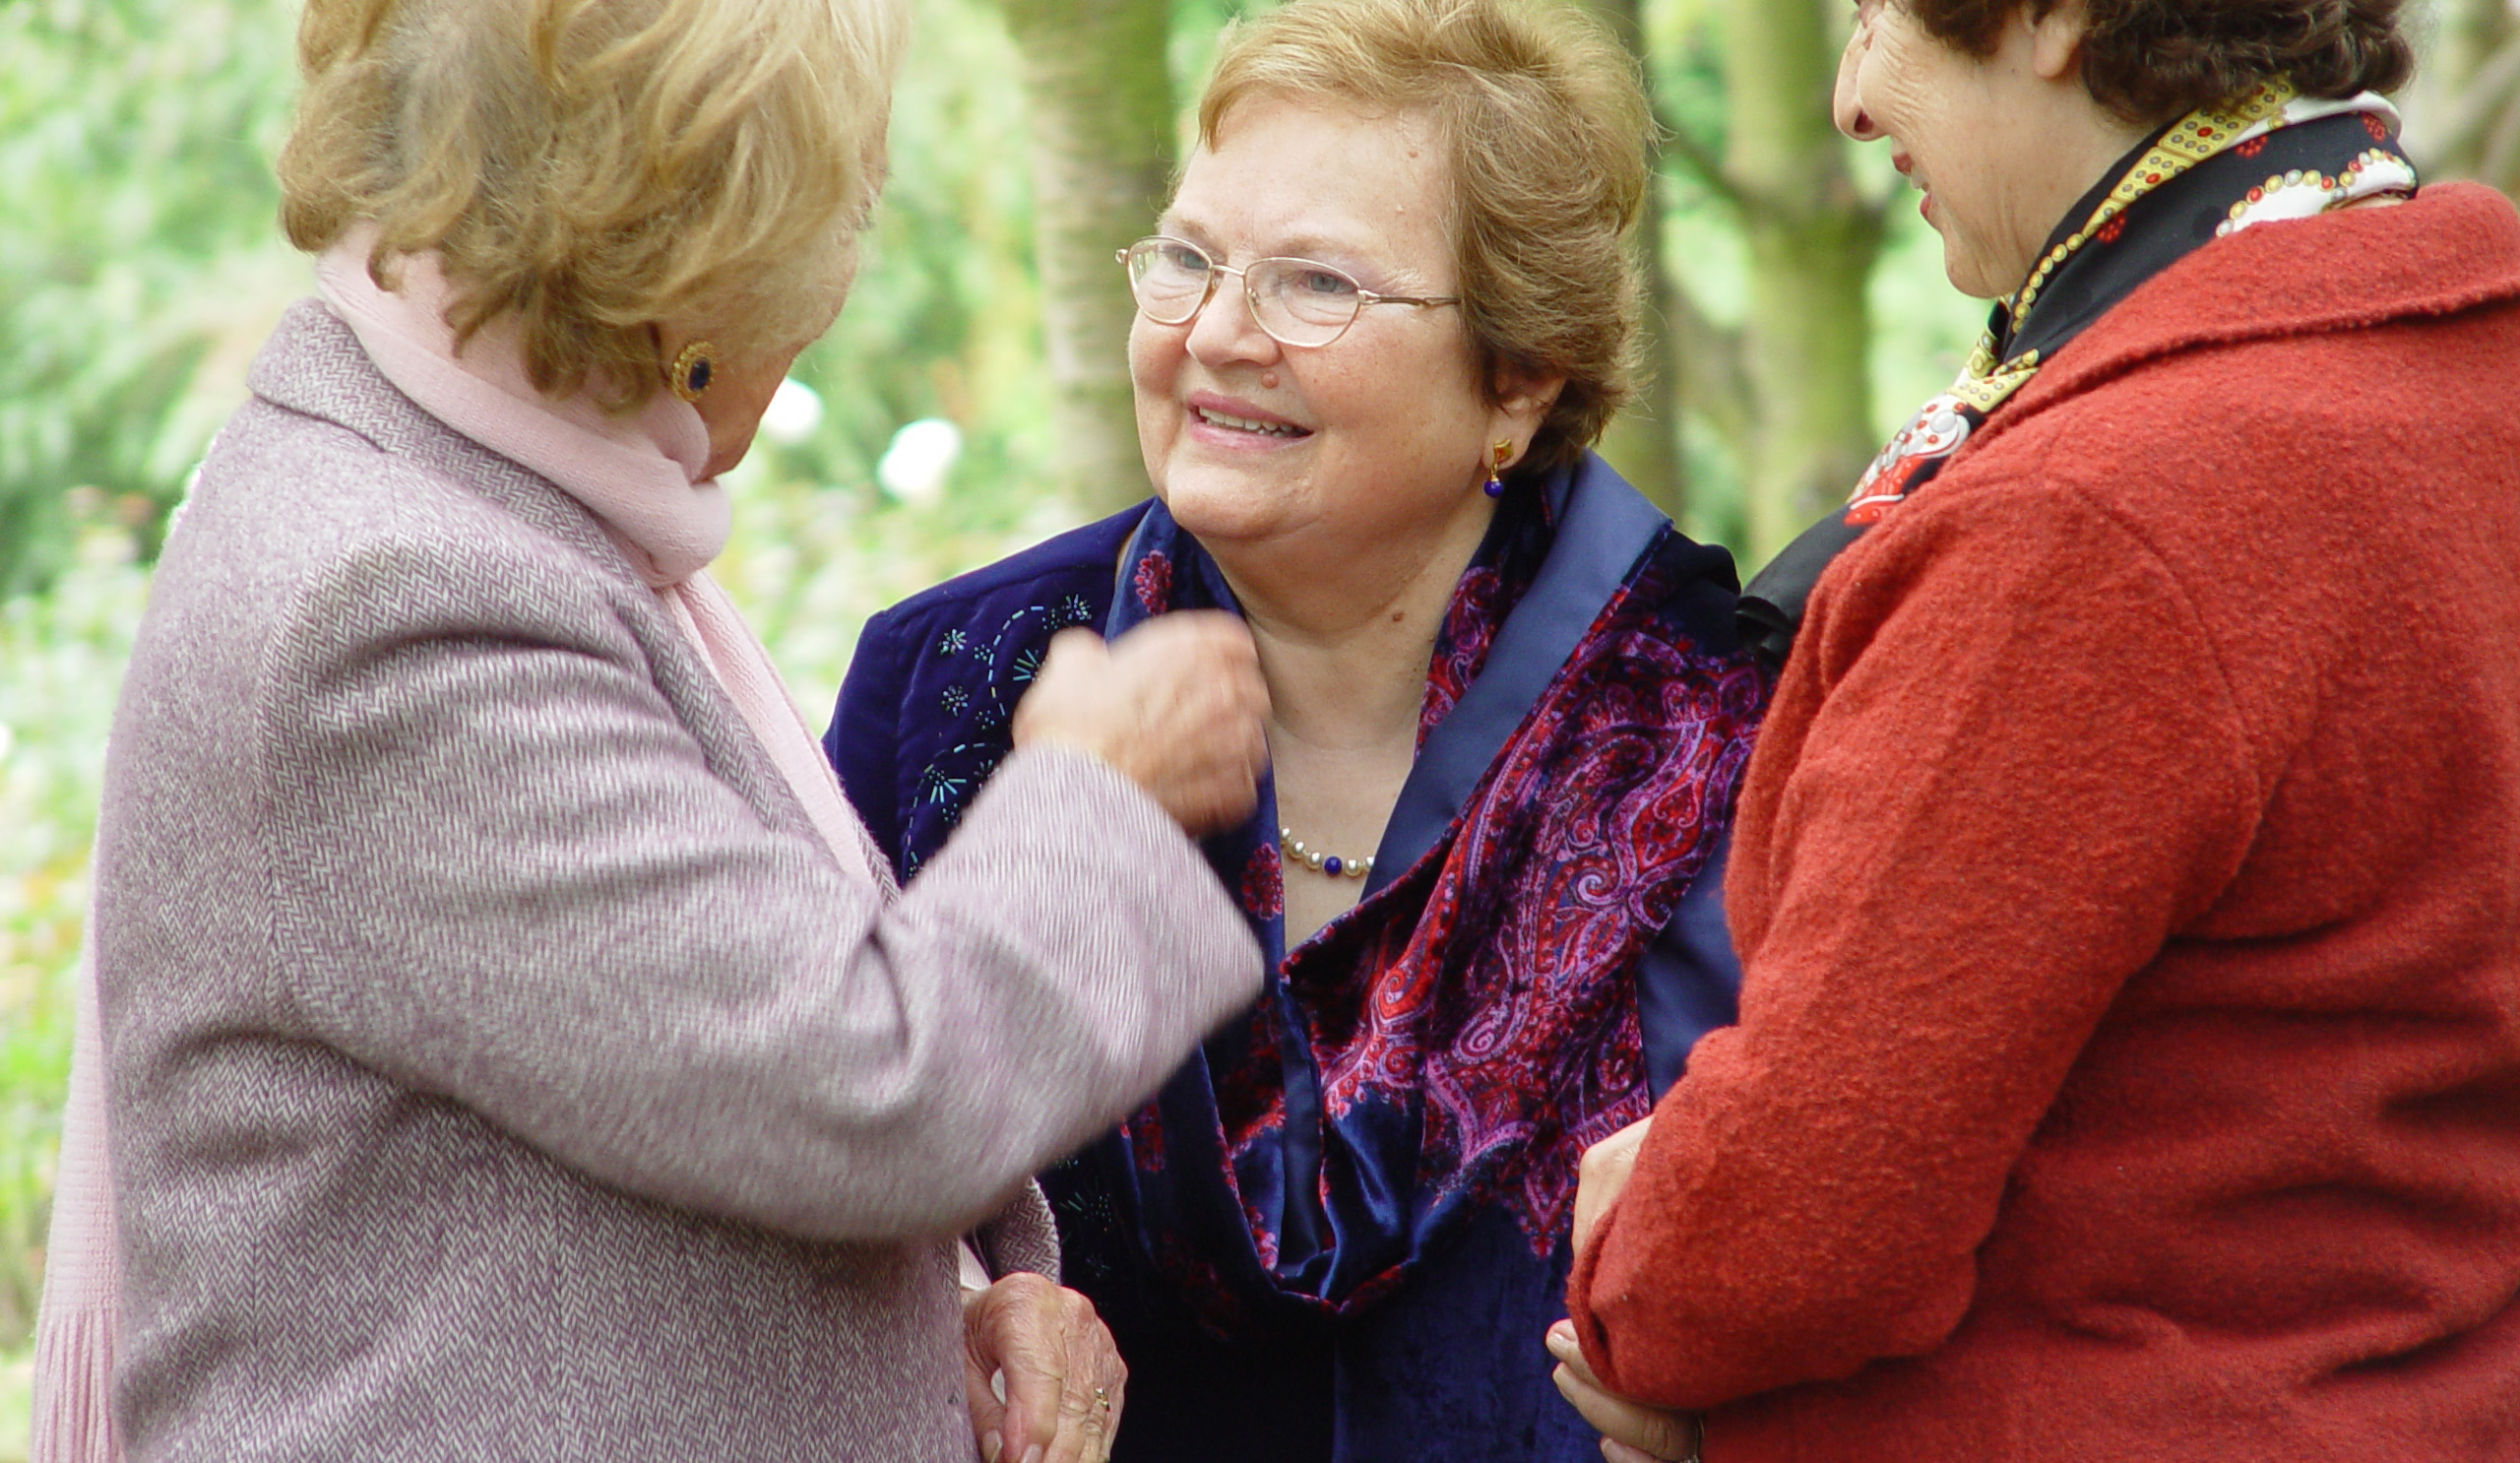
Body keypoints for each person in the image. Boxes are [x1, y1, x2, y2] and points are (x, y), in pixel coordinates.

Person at [32, 0, 1284, 1458]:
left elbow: (623, 1101)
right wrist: (1097, 789)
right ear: (692, 262)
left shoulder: (473, 489)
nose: (838, 278)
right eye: (839, 205)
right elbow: (860, 1084)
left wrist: (927, 1314)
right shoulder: (394, 610)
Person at [1549, 0, 2520, 1458]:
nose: (1849, 101)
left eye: (1878, 14)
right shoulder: (2464, 370)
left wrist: (1651, 1269)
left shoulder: (2100, 520)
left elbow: (1780, 1240)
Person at [828, 2, 1764, 1458]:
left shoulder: (1720, 725)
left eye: (1315, 283)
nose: (1214, 333)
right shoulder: (957, 687)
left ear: (1518, 377)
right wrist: (951, 1306)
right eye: (1186, 260)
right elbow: (823, 1181)